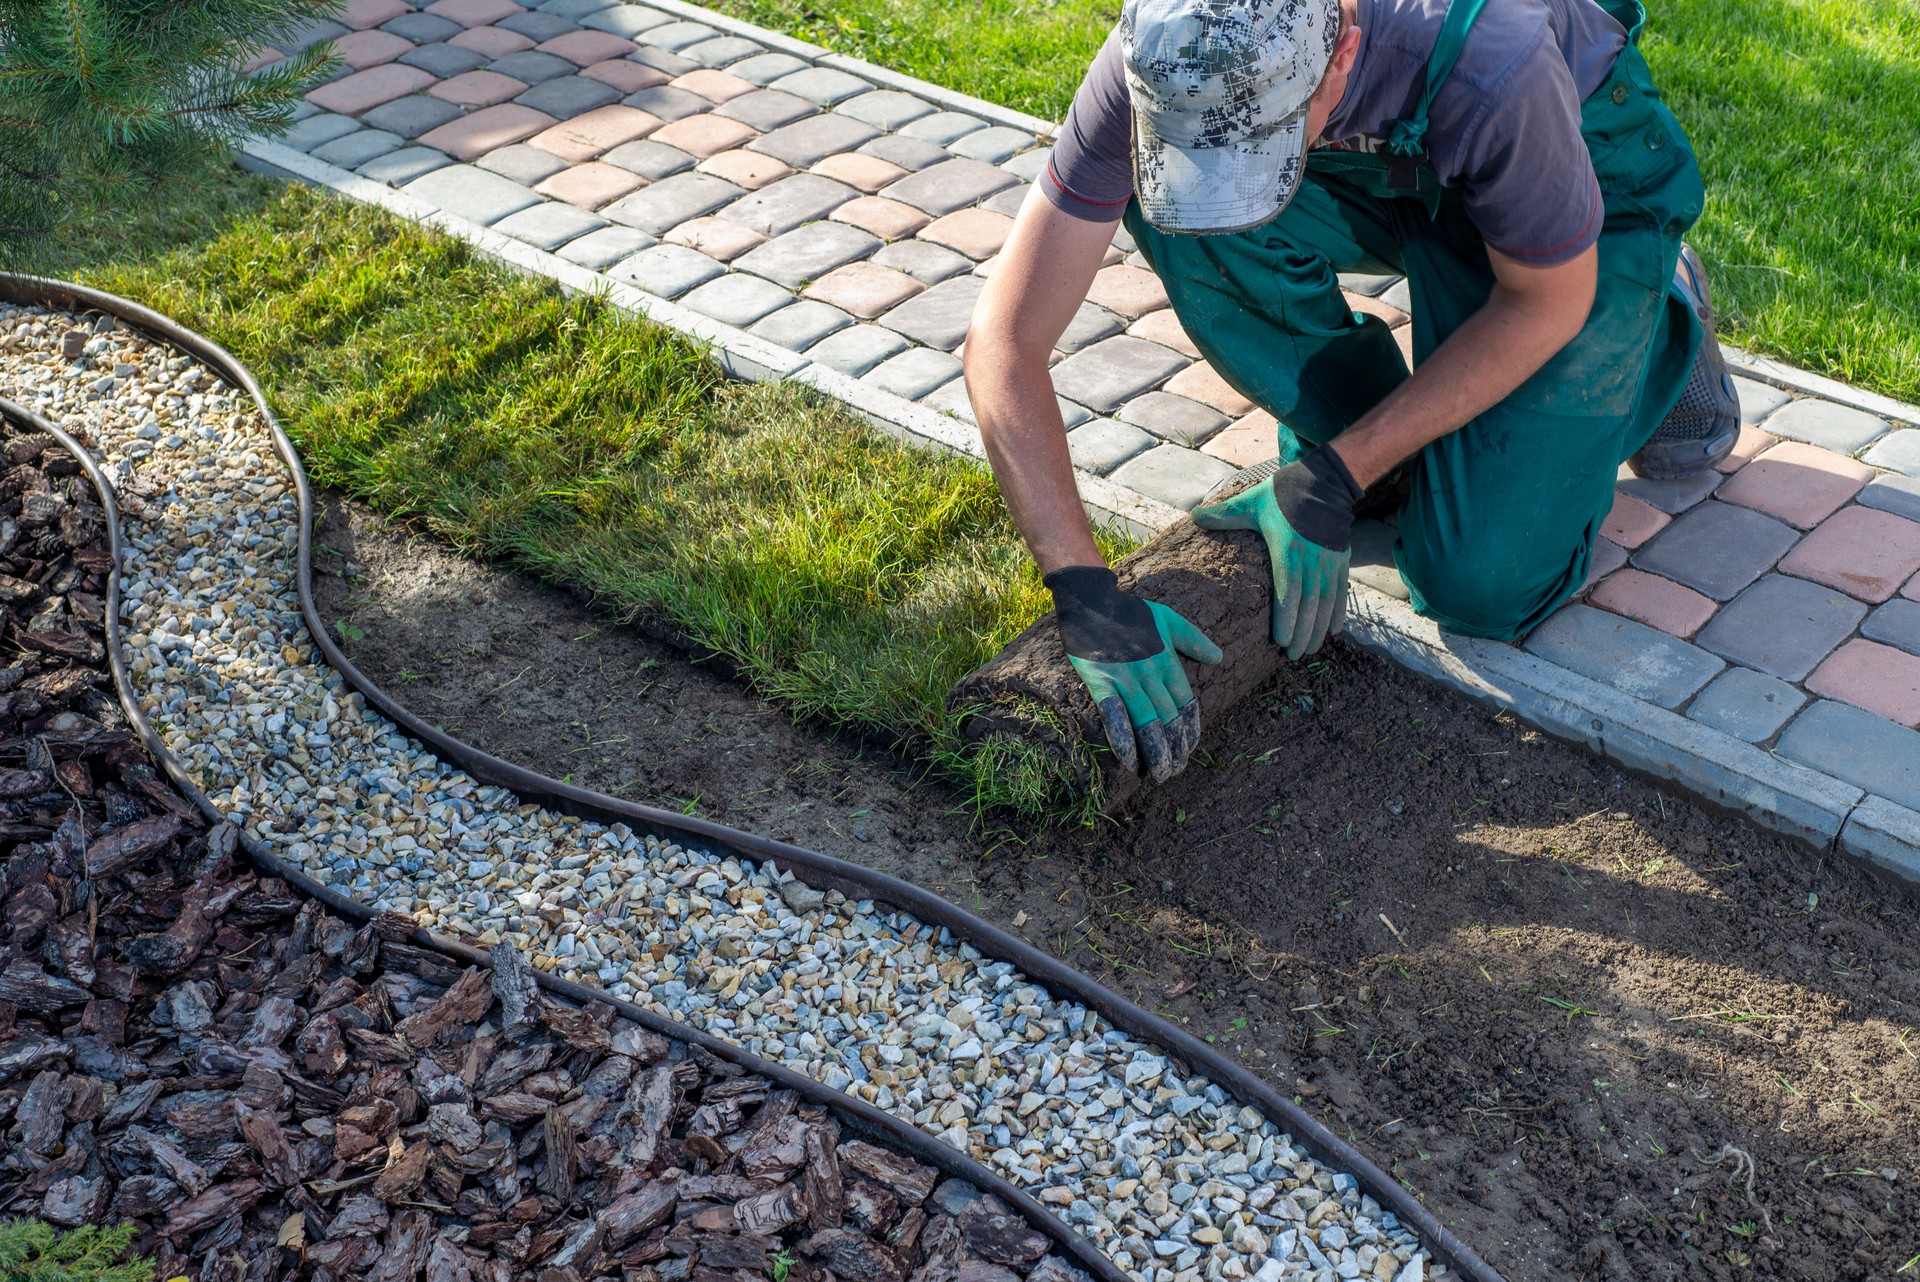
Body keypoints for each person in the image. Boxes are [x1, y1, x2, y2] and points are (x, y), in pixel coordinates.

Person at [963, 0, 1739, 784]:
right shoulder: (1177, 50)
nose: (1221, 176)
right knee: (1165, 204)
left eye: (1252, 152)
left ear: (1343, 59)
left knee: (1481, 584)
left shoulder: (1493, 56)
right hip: (1391, 166)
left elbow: (1544, 304)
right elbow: (1004, 337)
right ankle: (1387, 451)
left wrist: (1333, 473)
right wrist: (1083, 589)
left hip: (1574, 190)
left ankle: (1661, 305)